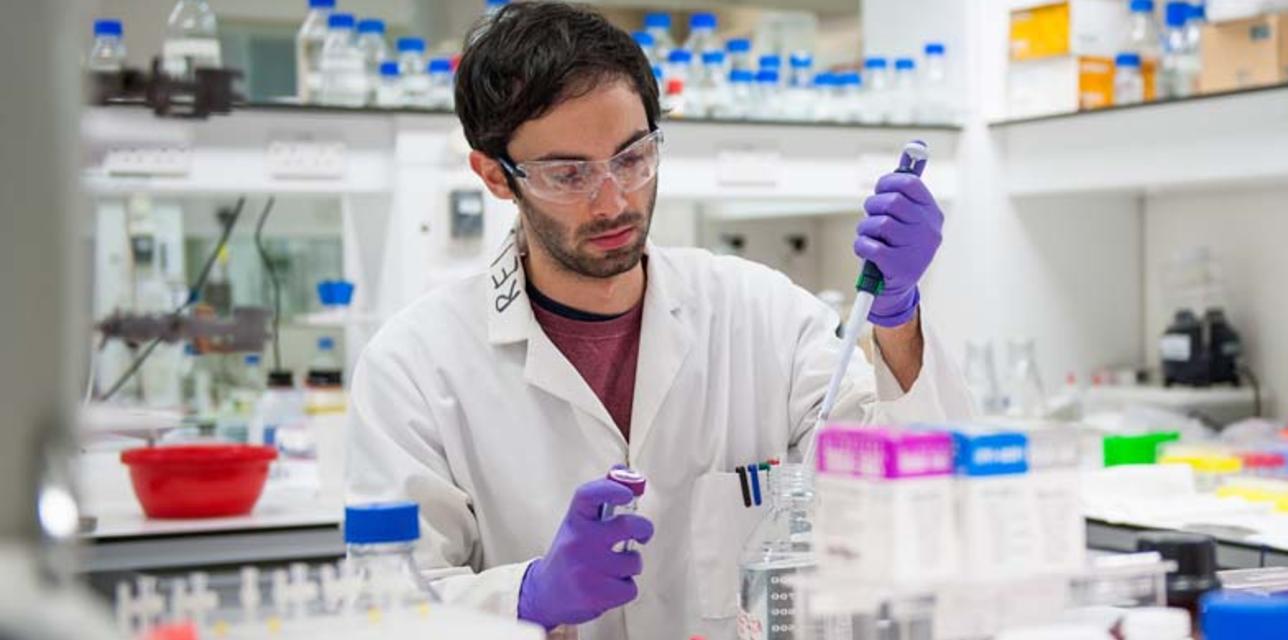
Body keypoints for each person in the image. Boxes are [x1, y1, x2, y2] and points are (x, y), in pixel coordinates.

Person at [345, 2, 972, 638]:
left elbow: (908, 497)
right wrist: (526, 596)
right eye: (568, 174)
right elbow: (388, 605)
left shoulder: (763, 316)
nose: (613, 199)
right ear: (495, 176)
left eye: (633, 157)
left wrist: (897, 315)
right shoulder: (415, 366)